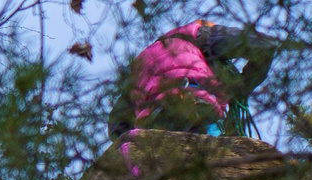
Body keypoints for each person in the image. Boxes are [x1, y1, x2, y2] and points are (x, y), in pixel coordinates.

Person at [108, 22, 277, 141]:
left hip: (153, 123)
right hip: (198, 109)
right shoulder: (199, 35)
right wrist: (241, 87)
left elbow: (116, 127)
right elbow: (264, 46)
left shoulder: (139, 64)